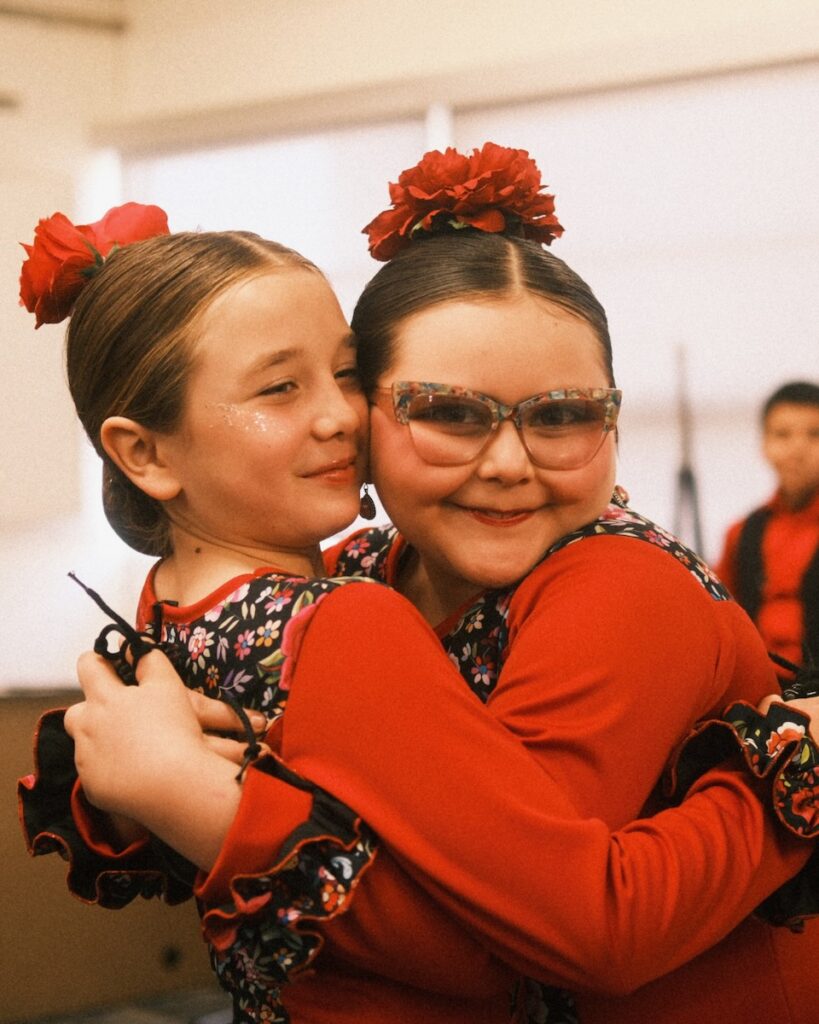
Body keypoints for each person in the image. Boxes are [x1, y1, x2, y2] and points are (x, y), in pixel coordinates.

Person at [22, 146, 819, 1024]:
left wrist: (790, 774)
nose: (509, 464)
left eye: (561, 416)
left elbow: (566, 925)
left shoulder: (616, 583)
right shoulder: (358, 576)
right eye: (448, 411)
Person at [716, 381, 819, 681]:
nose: (797, 449)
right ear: (764, 444)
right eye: (782, 434)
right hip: (759, 691)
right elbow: (723, 622)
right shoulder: (741, 533)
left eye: (814, 435)